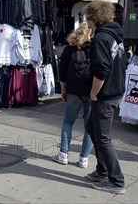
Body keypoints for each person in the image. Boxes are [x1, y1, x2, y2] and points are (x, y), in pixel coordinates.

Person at [83, 0, 127, 194]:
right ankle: (102, 170)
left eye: (87, 17)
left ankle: (117, 181)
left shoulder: (101, 38)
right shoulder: (114, 35)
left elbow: (102, 69)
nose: (86, 21)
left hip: (105, 94)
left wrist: (94, 92)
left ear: (94, 18)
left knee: (103, 137)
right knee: (91, 128)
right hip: (113, 90)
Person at [52, 22, 93, 168]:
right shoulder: (95, 48)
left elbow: (62, 70)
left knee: (68, 122)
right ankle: (84, 159)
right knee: (89, 127)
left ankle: (63, 154)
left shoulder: (70, 48)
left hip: (73, 90)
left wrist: (63, 89)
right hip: (90, 91)